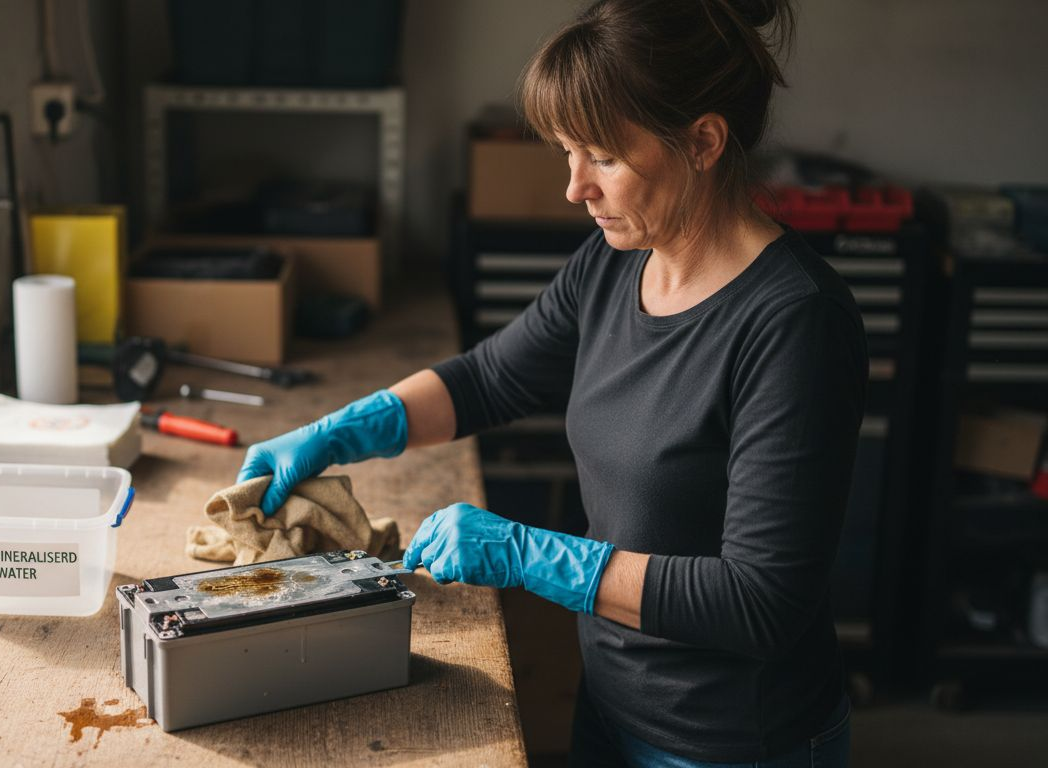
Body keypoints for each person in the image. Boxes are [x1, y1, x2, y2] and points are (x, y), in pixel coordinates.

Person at [236, 0, 865, 764]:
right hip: (606, 701)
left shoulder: (796, 322)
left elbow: (759, 601)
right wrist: (342, 429)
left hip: (732, 740)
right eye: (569, 152)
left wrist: (529, 555)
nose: (575, 188)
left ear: (702, 141)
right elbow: (491, 378)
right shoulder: (617, 261)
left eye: (601, 156)